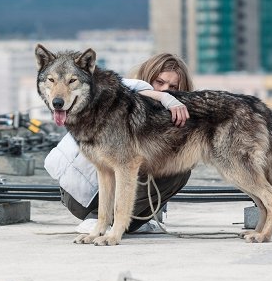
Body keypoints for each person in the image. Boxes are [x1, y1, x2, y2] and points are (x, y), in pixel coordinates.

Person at [44, 53, 195, 234]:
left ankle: (128, 221)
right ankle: (101, 220)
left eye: (173, 87)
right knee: (165, 167)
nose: (164, 90)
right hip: (79, 193)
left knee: (172, 160)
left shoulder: (164, 113)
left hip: (85, 191)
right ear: (148, 77)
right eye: (159, 82)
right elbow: (135, 90)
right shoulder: (121, 92)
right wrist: (163, 98)